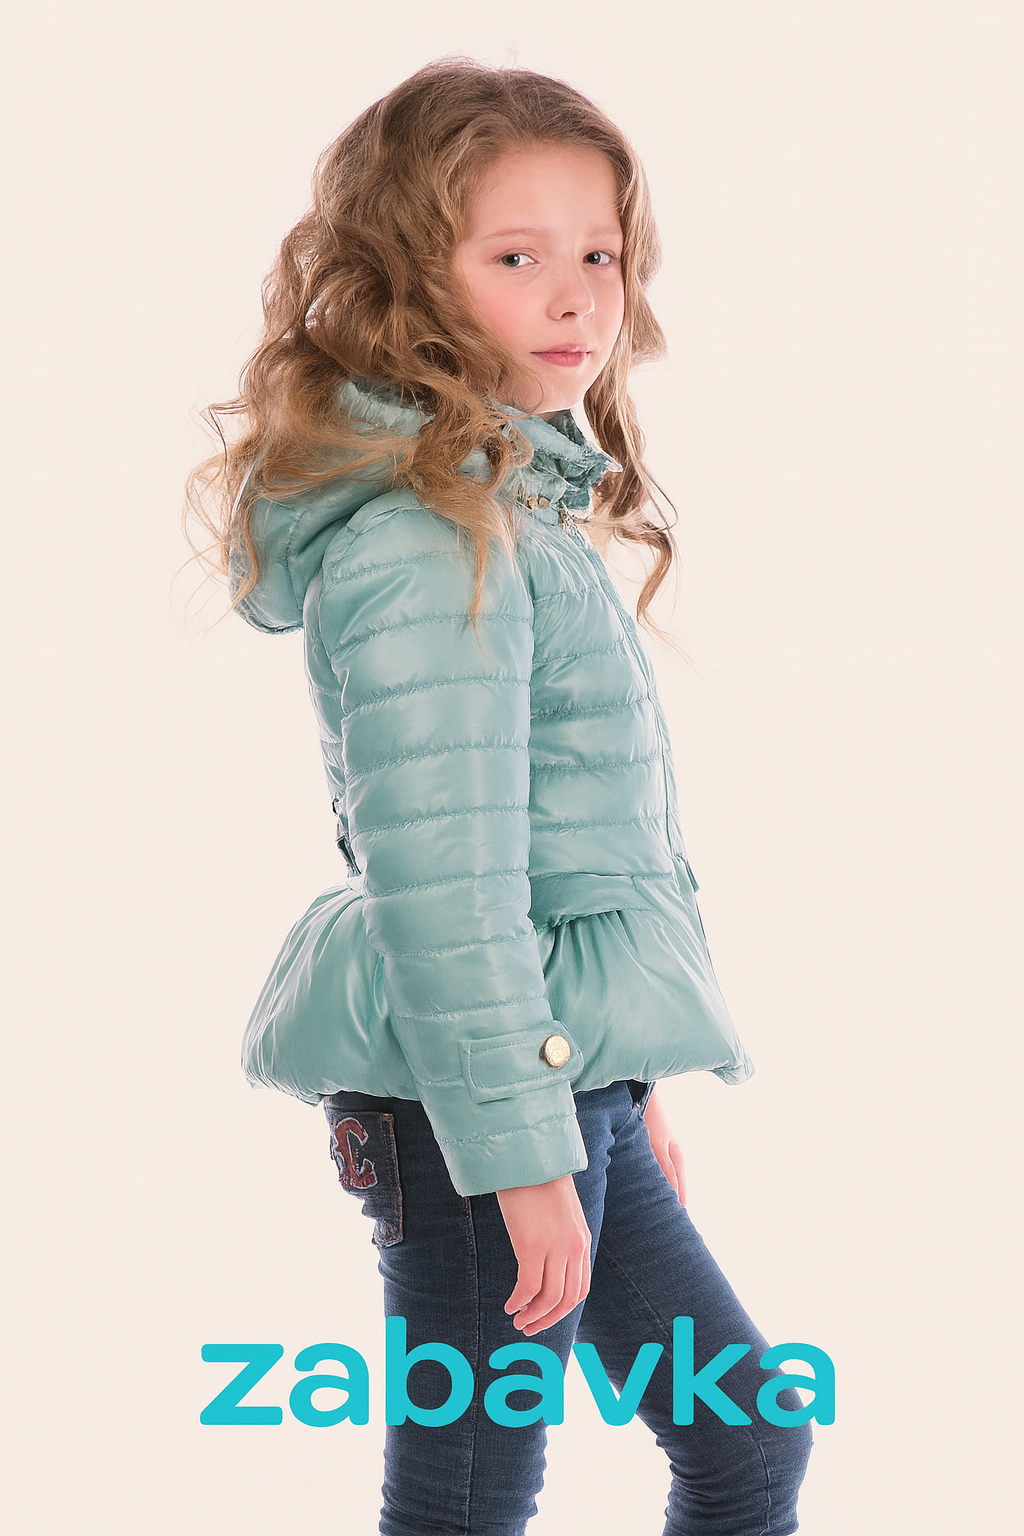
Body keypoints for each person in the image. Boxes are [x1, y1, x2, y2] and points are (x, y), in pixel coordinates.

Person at [188, 58, 813, 1536]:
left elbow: (568, 845)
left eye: (598, 254)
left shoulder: (506, 512)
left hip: (556, 1076)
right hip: (477, 1107)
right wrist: (527, 1154)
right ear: (408, 284)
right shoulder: (425, 544)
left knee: (744, 1440)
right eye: (516, 258)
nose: (576, 298)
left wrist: (627, 1082)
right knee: (467, 1505)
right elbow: (446, 885)